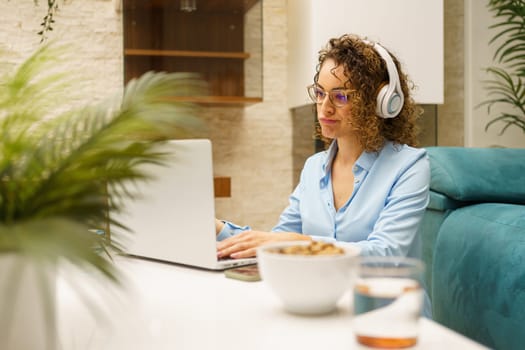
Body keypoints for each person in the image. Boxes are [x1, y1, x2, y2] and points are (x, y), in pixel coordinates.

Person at [216, 33, 430, 264]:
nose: (324, 108)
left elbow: (385, 252)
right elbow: (276, 242)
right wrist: (218, 229)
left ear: (378, 101)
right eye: (320, 93)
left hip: (383, 299)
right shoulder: (313, 167)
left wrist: (302, 243)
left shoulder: (410, 166)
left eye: (340, 96)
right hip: (323, 296)